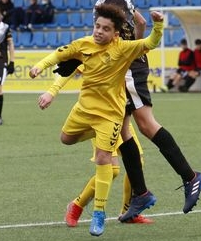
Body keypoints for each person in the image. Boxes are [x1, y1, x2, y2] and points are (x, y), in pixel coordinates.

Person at [89, 0, 201, 220]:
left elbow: (114, 36)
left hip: (128, 70)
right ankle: (141, 194)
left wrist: (120, 57)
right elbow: (139, 21)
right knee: (123, 131)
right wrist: (138, 45)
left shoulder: (113, 0)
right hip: (127, 66)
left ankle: (191, 177)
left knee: (145, 124)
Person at [29, 4, 164, 236]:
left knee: (129, 161)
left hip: (112, 117)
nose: (99, 31)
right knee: (68, 140)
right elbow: (65, 64)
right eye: (97, 26)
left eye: (105, 28)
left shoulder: (123, 49)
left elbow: (149, 42)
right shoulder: (84, 46)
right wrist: (48, 84)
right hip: (87, 112)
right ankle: (78, 204)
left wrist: (158, 25)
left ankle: (119, 212)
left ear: (116, 33)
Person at [38, 68, 153, 226]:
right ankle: (77, 205)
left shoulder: (122, 48)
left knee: (136, 163)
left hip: (119, 115)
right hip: (97, 117)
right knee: (112, 170)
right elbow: (69, 68)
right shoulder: (94, 49)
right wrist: (52, 91)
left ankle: (129, 212)